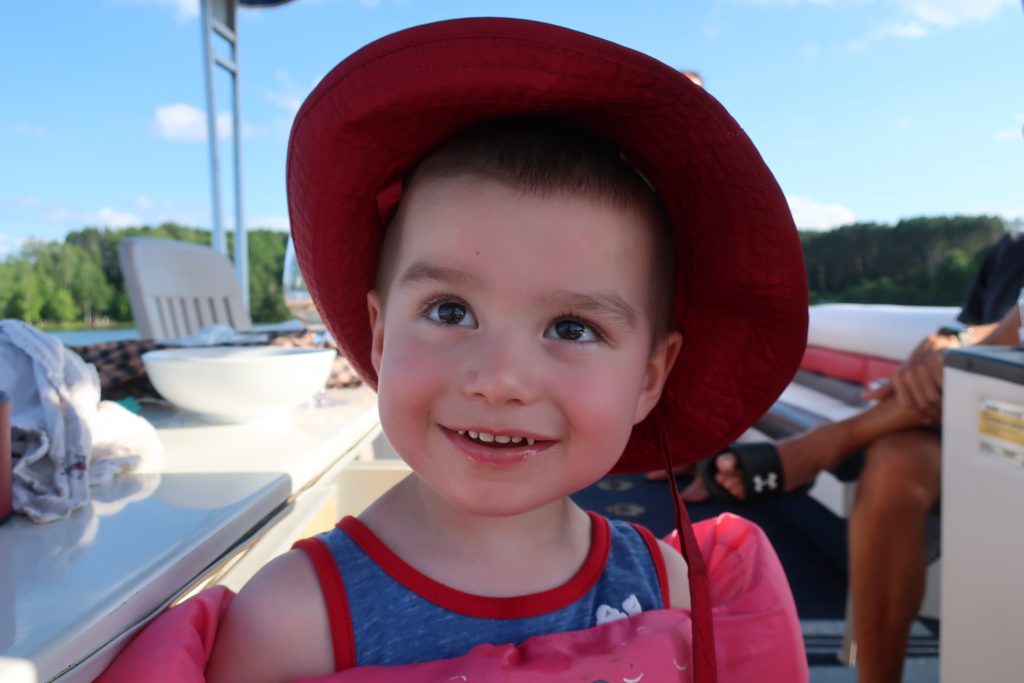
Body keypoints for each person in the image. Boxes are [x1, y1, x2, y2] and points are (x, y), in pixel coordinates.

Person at [204, 18, 808, 683]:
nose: (500, 379)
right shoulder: (290, 624)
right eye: (450, 311)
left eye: (572, 328)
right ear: (380, 335)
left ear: (649, 376)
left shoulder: (671, 590)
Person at [695, 231, 1024, 683]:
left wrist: (955, 352)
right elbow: (984, 326)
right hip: (967, 410)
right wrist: (950, 341)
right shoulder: (1011, 250)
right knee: (894, 463)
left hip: (1004, 419)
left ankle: (826, 444)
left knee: (953, 379)